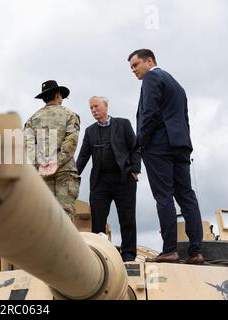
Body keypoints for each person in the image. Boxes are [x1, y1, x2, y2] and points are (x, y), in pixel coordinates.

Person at [128, 49, 204, 264]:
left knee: (164, 196)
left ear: (149, 61)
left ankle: (170, 249)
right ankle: (196, 252)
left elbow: (149, 113)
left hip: (159, 146)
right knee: (187, 197)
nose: (133, 70)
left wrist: (140, 142)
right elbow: (184, 118)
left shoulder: (152, 77)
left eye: (135, 65)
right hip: (180, 145)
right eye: (131, 67)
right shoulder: (177, 85)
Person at [76, 96, 140, 261]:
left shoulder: (123, 124)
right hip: (100, 181)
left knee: (127, 218)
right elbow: (83, 156)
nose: (93, 110)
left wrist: (135, 170)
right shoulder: (90, 131)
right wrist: (73, 175)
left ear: (106, 106)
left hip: (124, 179)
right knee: (98, 220)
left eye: (96, 106)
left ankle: (128, 255)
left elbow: (135, 148)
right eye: (91, 108)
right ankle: (99, 255)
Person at [24, 80, 81, 221]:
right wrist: (56, 162)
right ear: (57, 95)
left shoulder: (32, 120)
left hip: (42, 172)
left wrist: (42, 164)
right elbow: (71, 143)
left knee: (45, 216)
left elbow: (28, 147)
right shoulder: (70, 115)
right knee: (65, 215)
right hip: (65, 171)